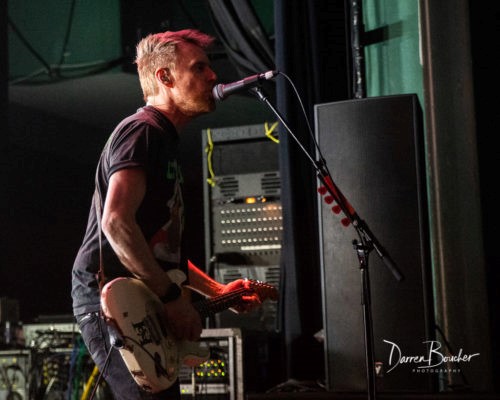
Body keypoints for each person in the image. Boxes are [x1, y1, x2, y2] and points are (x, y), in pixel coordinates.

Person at [71, 29, 262, 400]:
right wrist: (173, 298)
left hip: (141, 294)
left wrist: (217, 291)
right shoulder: (142, 132)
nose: (213, 76)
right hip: (113, 299)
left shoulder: (164, 142)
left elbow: (157, 249)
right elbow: (116, 223)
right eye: (200, 67)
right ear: (165, 77)